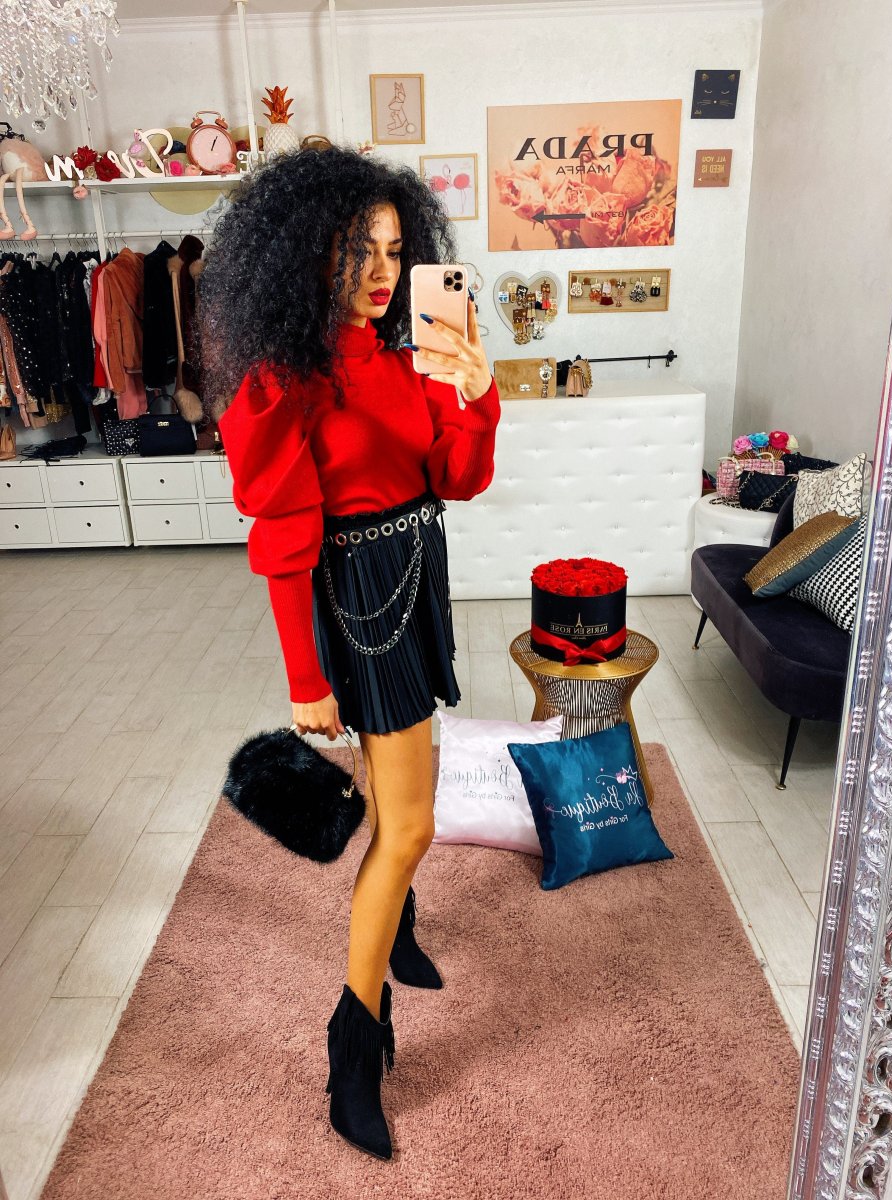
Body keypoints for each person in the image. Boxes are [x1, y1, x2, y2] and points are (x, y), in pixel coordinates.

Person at [199, 146, 500, 1161]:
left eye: (394, 249)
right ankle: (352, 1043)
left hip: (416, 585)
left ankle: (398, 927)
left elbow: (456, 478)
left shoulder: (412, 357)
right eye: (355, 249)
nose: (381, 271)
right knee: (409, 825)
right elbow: (284, 541)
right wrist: (305, 679)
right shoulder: (283, 378)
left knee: (398, 798)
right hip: (357, 602)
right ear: (304, 254)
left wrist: (478, 393)